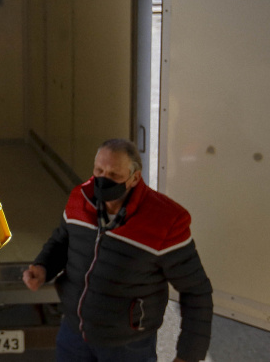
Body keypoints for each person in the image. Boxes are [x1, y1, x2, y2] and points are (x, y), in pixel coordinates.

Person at [23, 139, 212, 362]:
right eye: (99, 171)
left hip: (127, 346)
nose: (104, 179)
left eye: (114, 174)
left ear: (135, 178)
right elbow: (62, 241)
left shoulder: (165, 221)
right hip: (73, 334)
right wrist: (43, 267)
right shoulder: (79, 198)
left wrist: (188, 356)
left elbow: (196, 291)